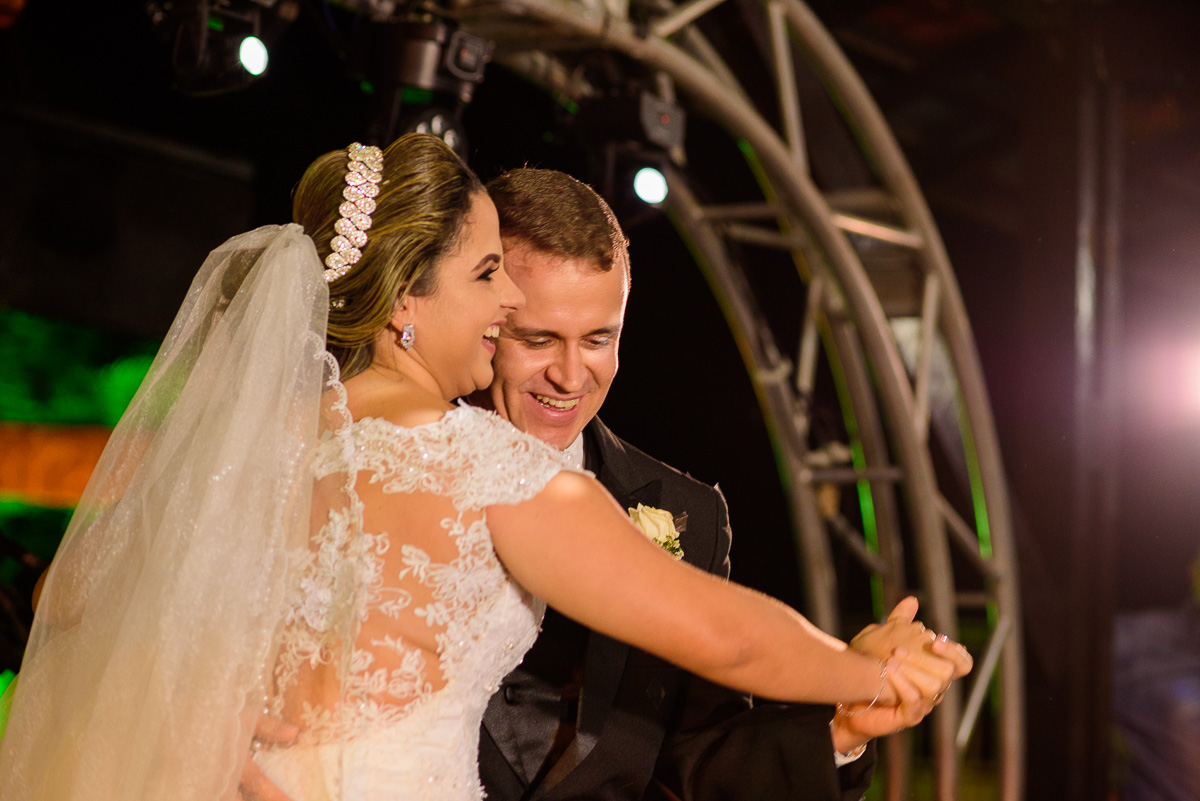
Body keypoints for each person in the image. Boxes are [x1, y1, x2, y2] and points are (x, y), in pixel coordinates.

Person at [0, 134, 964, 801]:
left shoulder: (272, 441)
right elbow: (727, 637)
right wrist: (864, 669)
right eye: (490, 277)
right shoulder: (478, 462)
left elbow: (81, 599)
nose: (505, 308)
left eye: (598, 336)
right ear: (407, 301)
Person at [471, 167, 970, 801]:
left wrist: (841, 726)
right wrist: (859, 670)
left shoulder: (687, 513)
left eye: (600, 339)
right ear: (481, 317)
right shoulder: (385, 469)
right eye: (537, 339)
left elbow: (698, 763)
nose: (571, 376)